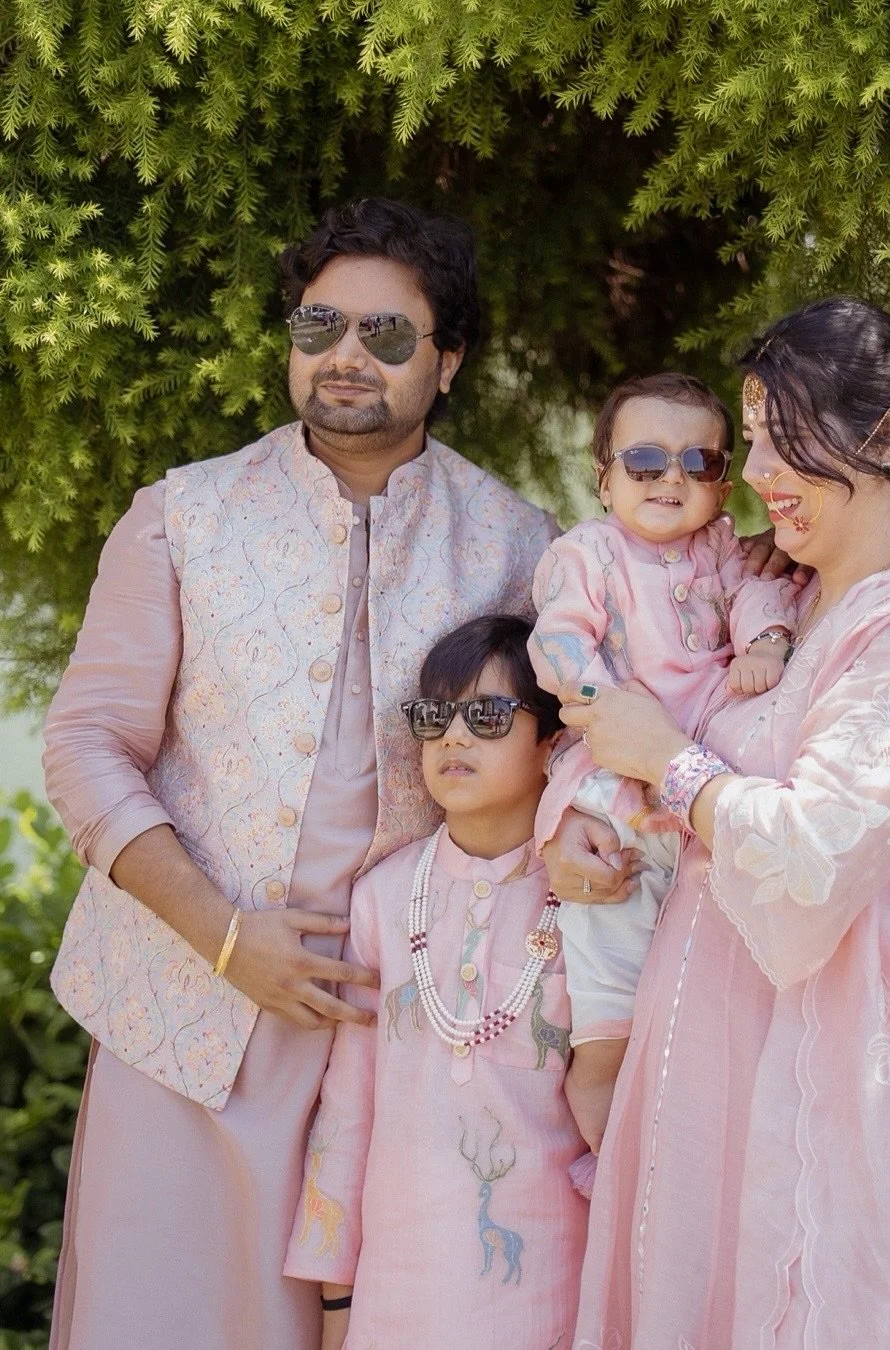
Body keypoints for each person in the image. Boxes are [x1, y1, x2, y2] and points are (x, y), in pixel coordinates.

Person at [41, 198, 560, 1350]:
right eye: (320, 325)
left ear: (448, 361)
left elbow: (560, 754)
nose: (345, 356)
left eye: (387, 333)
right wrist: (227, 939)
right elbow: (84, 748)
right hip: (184, 1013)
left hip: (411, 1034)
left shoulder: (517, 544)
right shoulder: (181, 516)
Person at [546, 300, 890, 1347]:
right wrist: (579, 812)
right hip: (708, 1095)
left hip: (816, 1111)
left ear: (888, 441)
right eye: (750, 439)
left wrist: (668, 759)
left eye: (782, 440)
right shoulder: (791, 600)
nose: (753, 473)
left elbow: (812, 856)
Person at [284, 615, 588, 1350]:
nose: (454, 737)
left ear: (552, 744)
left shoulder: (590, 896)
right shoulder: (383, 898)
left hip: (555, 1281)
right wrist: (335, 1298)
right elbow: (347, 1109)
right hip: (397, 1288)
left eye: (487, 717)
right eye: (434, 717)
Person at [527, 372, 798, 1154]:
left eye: (697, 462)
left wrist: (766, 643)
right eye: (644, 461)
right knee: (610, 1004)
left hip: (696, 791)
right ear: (603, 478)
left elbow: (761, 597)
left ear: (722, 484)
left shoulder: (723, 550)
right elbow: (559, 639)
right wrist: (605, 704)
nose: (669, 478)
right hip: (615, 798)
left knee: (684, 1005)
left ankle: (671, 1170)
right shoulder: (588, 554)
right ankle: (606, 1151)